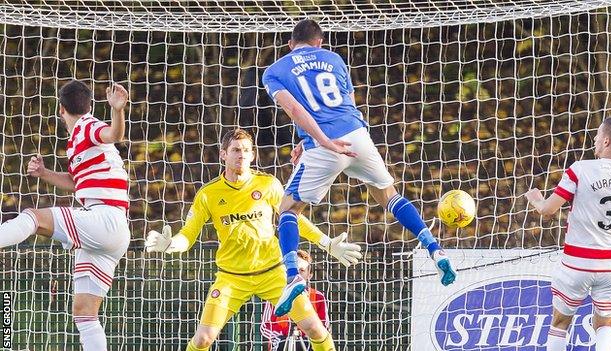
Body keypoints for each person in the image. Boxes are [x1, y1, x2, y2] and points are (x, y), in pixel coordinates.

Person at [261, 18, 457, 316]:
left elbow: (294, 108)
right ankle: (434, 248)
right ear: (320, 42)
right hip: (358, 135)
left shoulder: (275, 71)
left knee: (287, 210)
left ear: (290, 44)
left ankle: (291, 277)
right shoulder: (334, 59)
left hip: (328, 143)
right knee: (390, 195)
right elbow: (348, 103)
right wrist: (312, 139)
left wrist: (321, 140)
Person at [145, 129, 361, 351]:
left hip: (273, 273)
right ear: (223, 155)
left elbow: (293, 218)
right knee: (203, 339)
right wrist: (170, 244)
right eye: (236, 150)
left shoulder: (268, 184)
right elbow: (188, 235)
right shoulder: (208, 194)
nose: (242, 155)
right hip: (231, 278)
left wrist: (326, 243)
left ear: (253, 155)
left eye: (246, 150)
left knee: (315, 330)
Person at [0, 80, 130, 350]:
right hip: (112, 231)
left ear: (61, 109)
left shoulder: (87, 125)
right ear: (90, 103)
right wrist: (45, 174)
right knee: (84, 314)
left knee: (34, 217)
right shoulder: (77, 144)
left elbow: (114, 135)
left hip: (103, 219)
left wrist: (118, 110)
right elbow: (76, 183)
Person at [525, 117, 611, 351]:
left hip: (577, 263)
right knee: (607, 324)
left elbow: (548, 211)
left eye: (598, 136)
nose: (595, 140)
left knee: (560, 322)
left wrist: (537, 200)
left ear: (607, 141)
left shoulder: (580, 170)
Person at [261, 250, 329, 351]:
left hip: (307, 341)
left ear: (309, 275)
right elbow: (265, 326)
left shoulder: (318, 297)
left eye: (301, 270)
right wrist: (279, 337)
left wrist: (307, 335)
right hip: (280, 342)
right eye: (294, 270)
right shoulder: (275, 295)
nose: (297, 274)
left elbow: (325, 326)